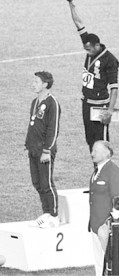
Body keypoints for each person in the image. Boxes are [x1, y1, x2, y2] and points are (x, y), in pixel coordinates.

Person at [64, 0, 119, 153]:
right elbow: (78, 22)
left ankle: (105, 172)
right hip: (86, 103)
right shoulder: (89, 44)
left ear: (97, 46)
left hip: (100, 105)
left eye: (89, 49)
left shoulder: (110, 60)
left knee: (101, 141)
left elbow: (114, 88)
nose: (86, 52)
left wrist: (110, 110)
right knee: (89, 140)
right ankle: (97, 169)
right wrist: (70, 2)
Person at [25, 71, 61, 228]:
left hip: (44, 151)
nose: (33, 84)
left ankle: (54, 216)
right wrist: (28, 144)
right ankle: (46, 212)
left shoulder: (53, 103)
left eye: (36, 81)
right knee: (37, 182)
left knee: (46, 183)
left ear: (45, 84)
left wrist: (47, 150)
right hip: (33, 149)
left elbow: (53, 129)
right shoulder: (35, 102)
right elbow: (33, 125)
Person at [89, 140, 119, 276]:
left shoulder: (113, 171)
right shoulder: (97, 171)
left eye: (95, 151)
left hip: (106, 225)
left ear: (106, 153)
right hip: (95, 224)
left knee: (110, 260)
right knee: (99, 261)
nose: (92, 154)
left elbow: (118, 200)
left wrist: (112, 223)